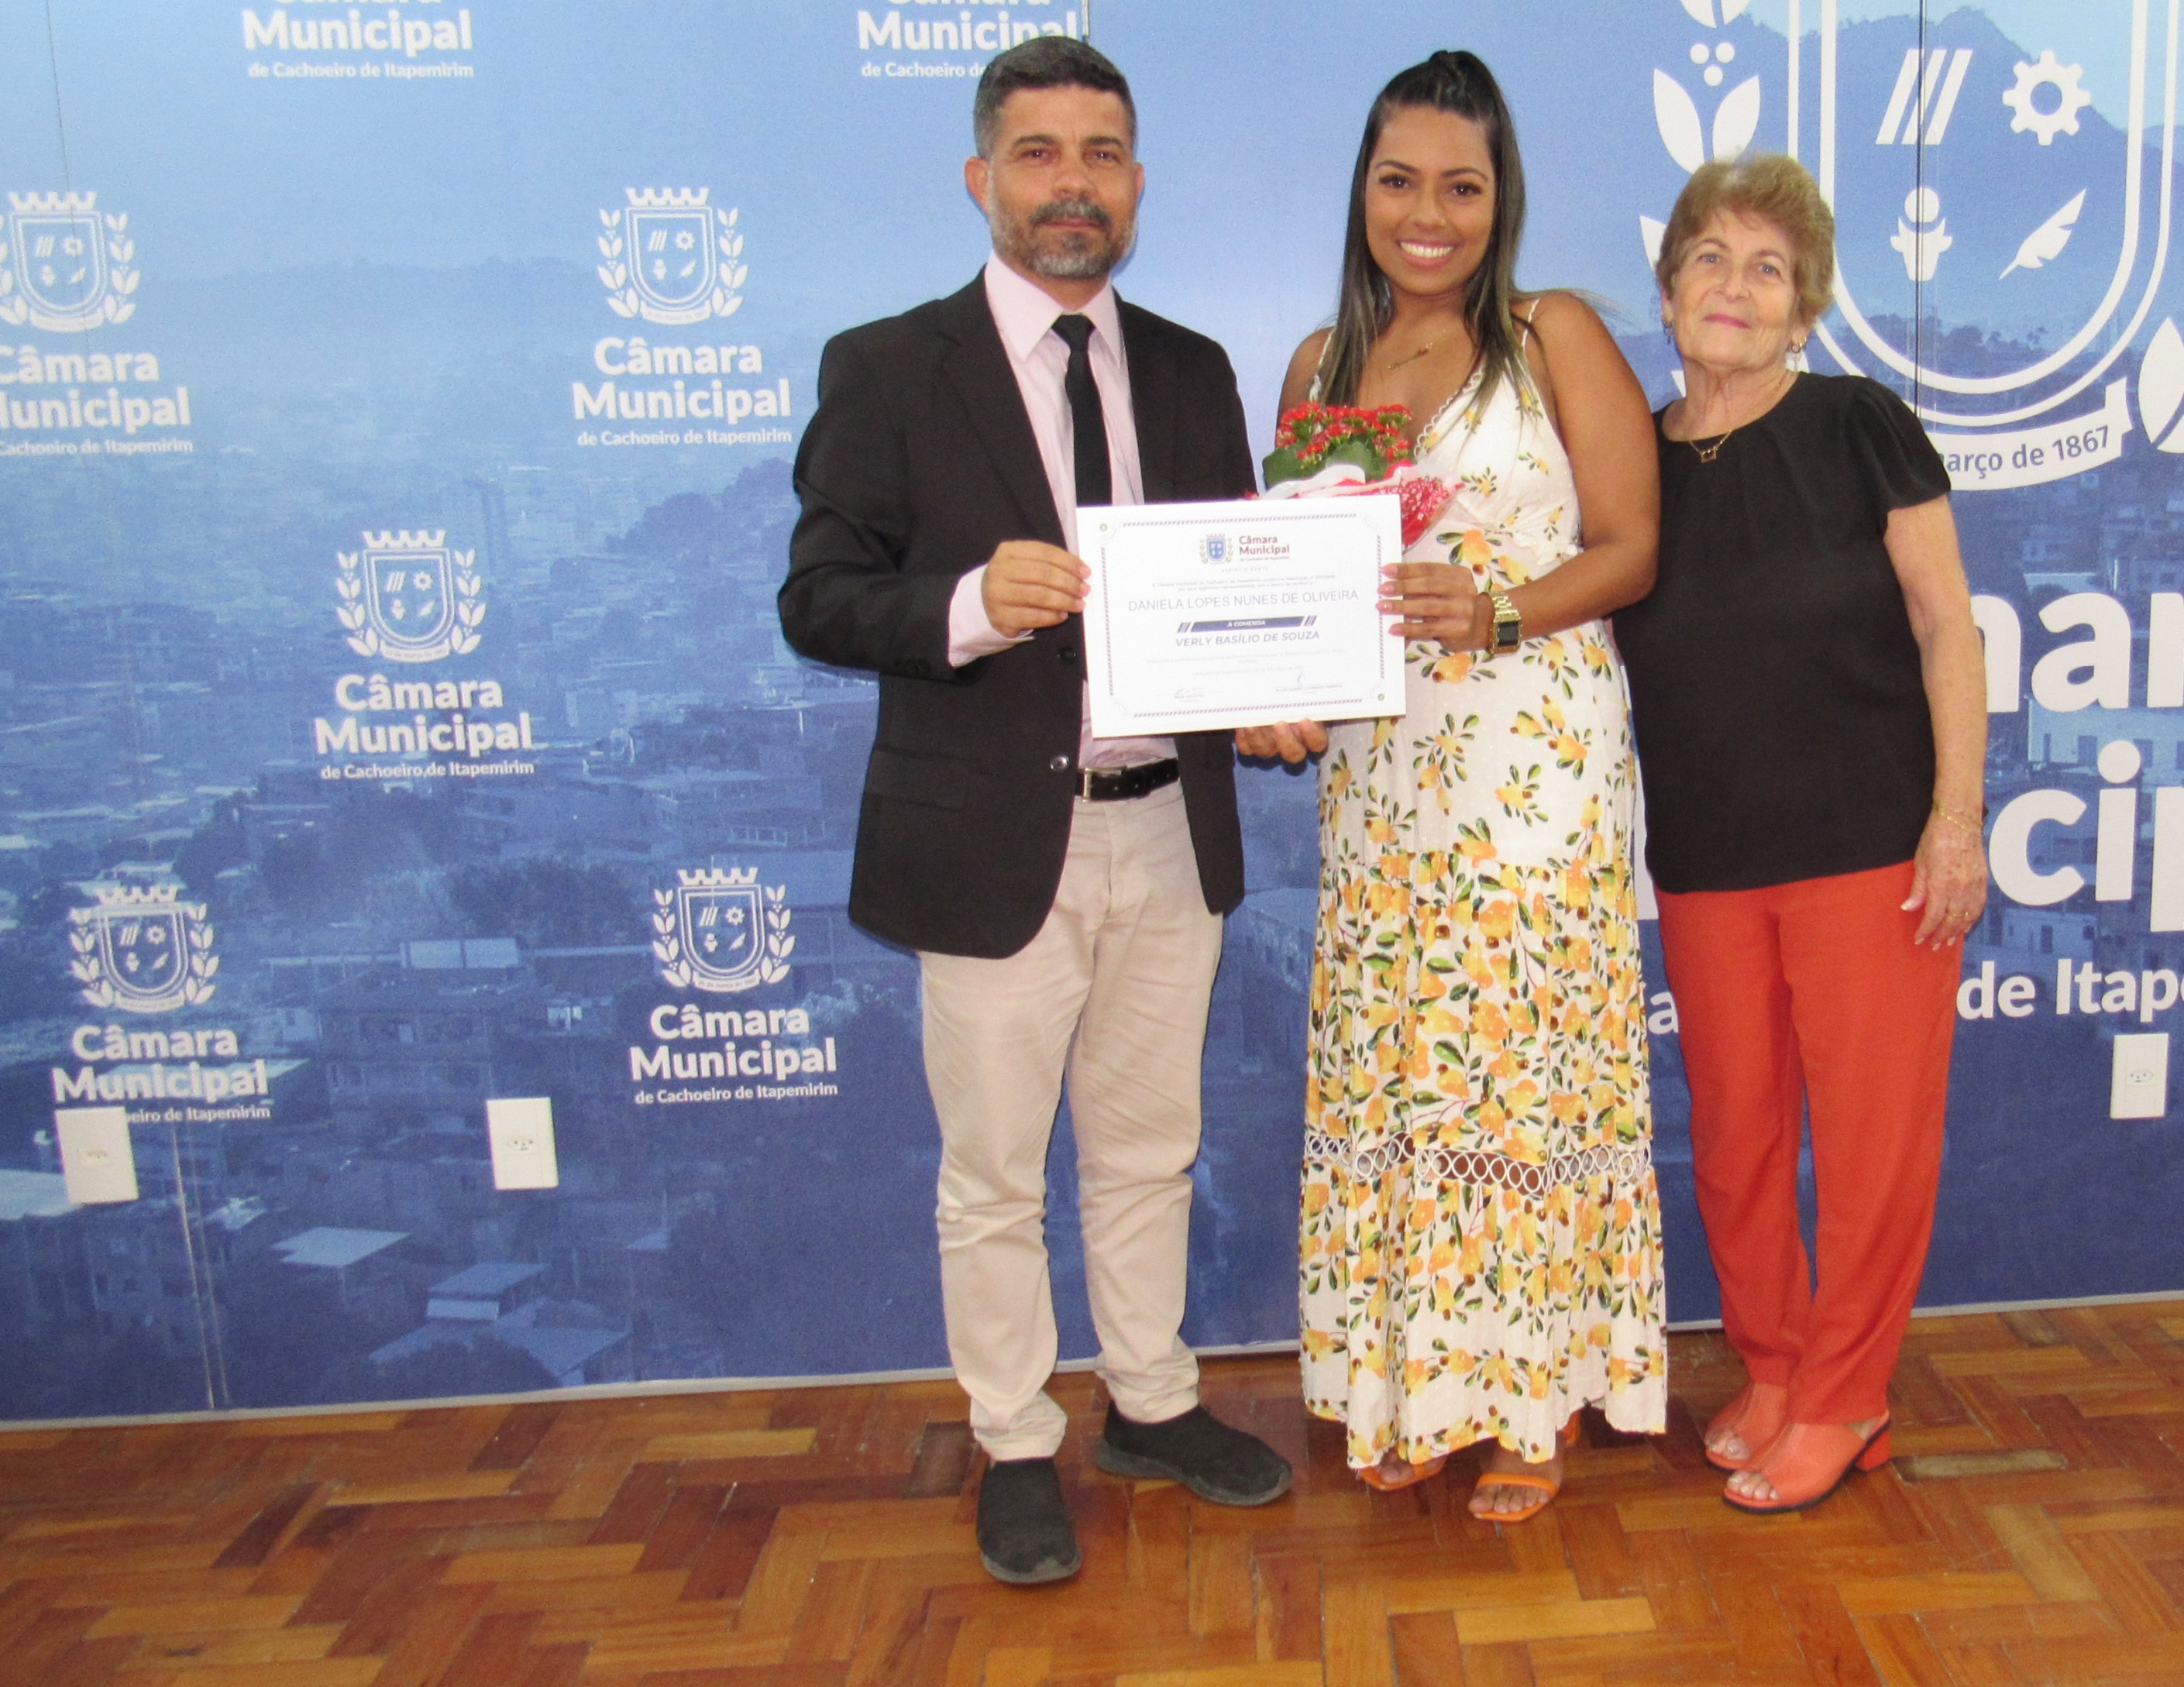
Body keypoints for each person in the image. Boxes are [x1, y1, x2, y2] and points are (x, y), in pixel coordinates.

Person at [777, 37, 1291, 1586]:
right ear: (980, 177)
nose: (1075, 184)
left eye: (1102, 154)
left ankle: (1150, 1402)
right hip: (990, 837)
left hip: (1168, 822)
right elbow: (818, 597)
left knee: (1148, 1146)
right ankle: (1013, 1439)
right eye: (1041, 152)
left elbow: (1236, 597)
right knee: (994, 1170)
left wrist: (1272, 692)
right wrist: (967, 602)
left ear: (1136, 182)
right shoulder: (888, 366)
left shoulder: (1193, 369)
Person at [1236, 50, 1666, 1524]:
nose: (1429, 215)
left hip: (1530, 770)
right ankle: (1414, 1386)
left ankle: (1530, 1400)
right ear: (1362, 190)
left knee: (1516, 1071)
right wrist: (1272, 693)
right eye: (1400, 181)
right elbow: (1292, 585)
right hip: (1379, 781)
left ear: (1503, 199)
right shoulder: (1317, 366)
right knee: (1400, 1068)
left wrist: (1495, 612)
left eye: (1462, 187)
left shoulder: (1552, 337)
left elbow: (1632, 548)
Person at [1610, 154, 1989, 1513]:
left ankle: (1846, 1396)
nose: (1736, 287)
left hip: (1872, 853)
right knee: (1737, 1143)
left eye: (1769, 269)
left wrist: (1957, 819)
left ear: (1805, 308)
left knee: (1874, 1146)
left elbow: (1947, 624)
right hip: (1706, 863)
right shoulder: (1631, 463)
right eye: (1711, 258)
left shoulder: (1858, 424)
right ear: (1667, 291)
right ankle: (1774, 1370)